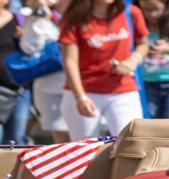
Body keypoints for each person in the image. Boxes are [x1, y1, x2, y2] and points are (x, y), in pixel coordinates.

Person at [59, 0, 149, 139]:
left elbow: (143, 44)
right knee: (86, 150)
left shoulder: (131, 12)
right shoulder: (74, 17)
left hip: (123, 90)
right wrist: (80, 97)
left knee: (131, 143)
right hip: (85, 92)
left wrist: (133, 60)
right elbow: (70, 61)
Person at [17, 0, 66, 142]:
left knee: (87, 138)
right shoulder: (36, 18)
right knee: (61, 138)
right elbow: (30, 48)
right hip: (50, 86)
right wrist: (43, 19)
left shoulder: (79, 15)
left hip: (83, 86)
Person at [0, 0, 30, 144]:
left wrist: (25, 38)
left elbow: (32, 49)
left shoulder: (20, 19)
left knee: (16, 138)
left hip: (19, 89)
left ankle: (13, 167)